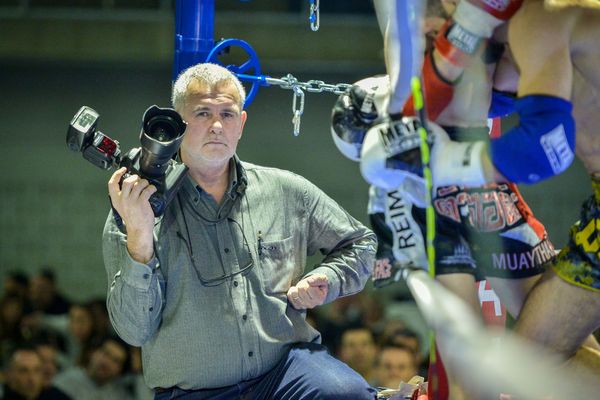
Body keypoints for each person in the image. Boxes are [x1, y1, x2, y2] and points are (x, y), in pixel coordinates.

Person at [102, 62, 378, 399]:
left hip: (284, 370)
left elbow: (362, 243)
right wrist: (141, 238)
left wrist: (329, 279)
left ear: (241, 123)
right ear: (177, 124)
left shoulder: (286, 191)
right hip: (195, 391)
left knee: (347, 394)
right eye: (202, 113)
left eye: (228, 114)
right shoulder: (133, 209)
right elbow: (133, 330)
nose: (217, 125)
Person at [52, 336, 132, 400]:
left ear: (120, 370)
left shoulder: (120, 395)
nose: (107, 363)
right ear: (93, 353)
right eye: (106, 353)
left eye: (116, 361)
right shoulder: (65, 382)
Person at [1, 345, 71, 400]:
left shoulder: (56, 396)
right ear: (9, 374)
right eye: (24, 371)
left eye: (36, 370)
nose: (31, 379)